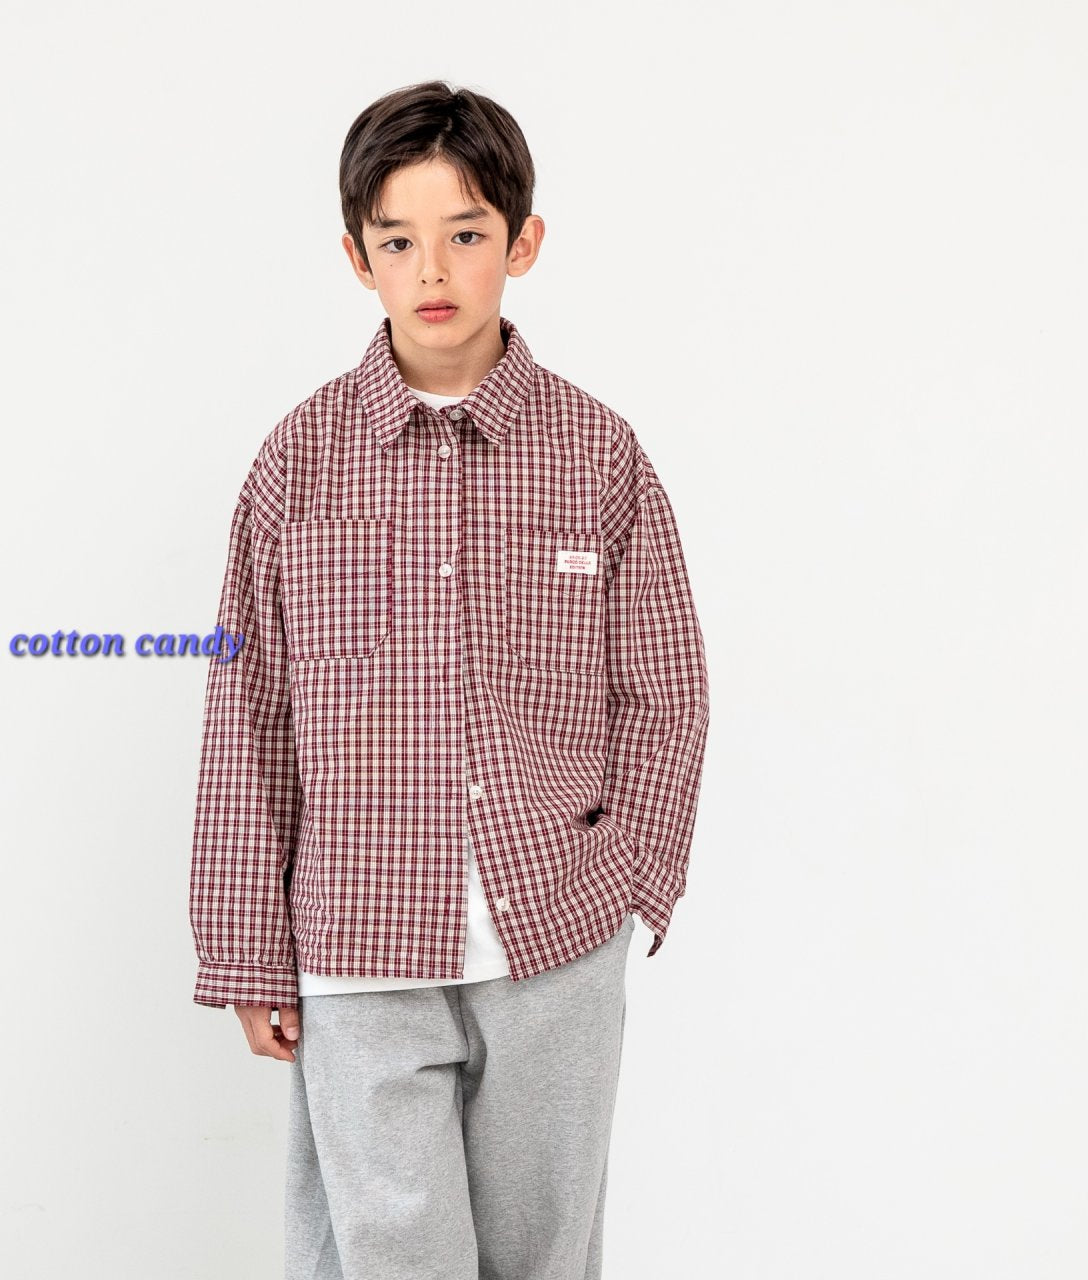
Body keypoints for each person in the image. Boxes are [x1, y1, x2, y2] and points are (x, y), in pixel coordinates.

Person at [189, 79, 711, 1280]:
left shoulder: (597, 454)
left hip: (556, 937)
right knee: (388, 1252)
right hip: (357, 943)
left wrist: (634, 881)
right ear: (355, 257)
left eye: (465, 233)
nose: (433, 269)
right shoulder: (296, 463)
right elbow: (247, 711)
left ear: (521, 243)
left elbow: (664, 686)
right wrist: (245, 943)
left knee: (544, 1253)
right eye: (398, 240)